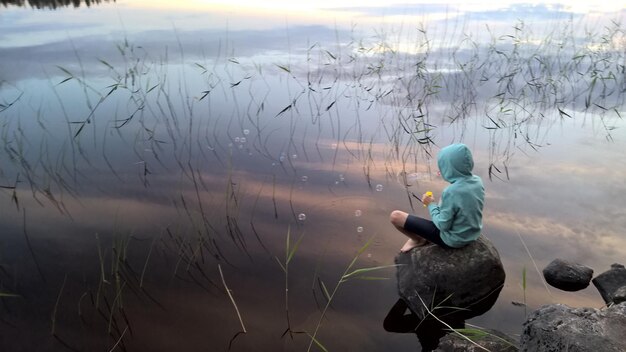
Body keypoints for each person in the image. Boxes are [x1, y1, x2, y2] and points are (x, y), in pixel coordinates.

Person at [389, 143, 484, 252]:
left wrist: (431, 205)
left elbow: (443, 225)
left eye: (443, 166)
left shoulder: (451, 192)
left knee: (395, 216)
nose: (440, 170)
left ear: (449, 168)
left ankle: (417, 240)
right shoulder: (477, 181)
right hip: (472, 234)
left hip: (453, 240)